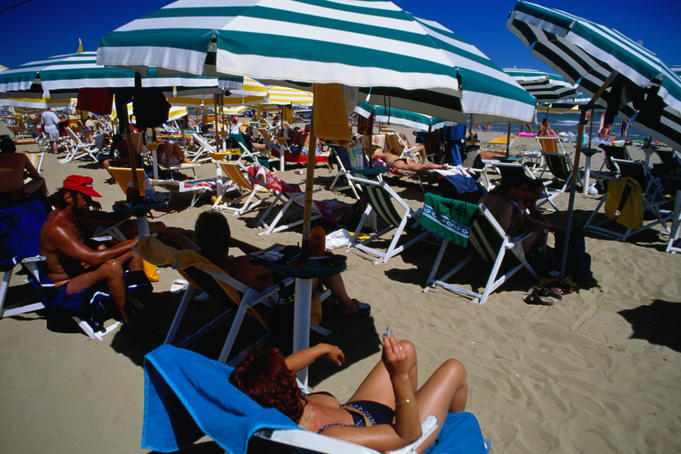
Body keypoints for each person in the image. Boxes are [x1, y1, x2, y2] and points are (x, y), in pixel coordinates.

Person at [230, 333, 468, 452]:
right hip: (403, 435)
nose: (288, 369)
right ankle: (452, 433)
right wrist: (400, 378)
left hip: (364, 412)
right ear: (286, 387)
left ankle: (422, 409)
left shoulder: (285, 403)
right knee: (453, 369)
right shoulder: (329, 438)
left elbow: (281, 370)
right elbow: (406, 436)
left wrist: (321, 349)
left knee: (405, 348)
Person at [194, 211, 370, 317]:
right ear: (227, 236)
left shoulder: (205, 264)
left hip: (261, 294)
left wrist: (239, 244)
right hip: (281, 301)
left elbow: (263, 260)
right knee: (321, 262)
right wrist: (239, 244)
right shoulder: (242, 264)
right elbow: (271, 259)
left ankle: (332, 303)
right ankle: (347, 305)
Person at [39, 175, 143, 324]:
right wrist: (132, 242)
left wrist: (131, 203)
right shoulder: (56, 228)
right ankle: (129, 319)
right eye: (86, 198)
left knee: (132, 252)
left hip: (81, 272)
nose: (89, 202)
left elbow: (109, 219)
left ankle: (140, 297)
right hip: (65, 285)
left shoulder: (73, 216)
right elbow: (94, 258)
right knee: (112, 267)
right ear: (69, 197)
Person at [479, 176, 545, 254]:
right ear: (512, 189)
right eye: (523, 190)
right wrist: (518, 223)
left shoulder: (486, 198)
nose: (525, 193)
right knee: (538, 228)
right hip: (500, 252)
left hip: (480, 244)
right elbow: (507, 237)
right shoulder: (506, 207)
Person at [0, 138, 48, 207]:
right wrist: (26, 175)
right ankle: (45, 200)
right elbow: (36, 176)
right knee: (41, 179)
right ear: (14, 148)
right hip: (17, 193)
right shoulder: (21, 157)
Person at [372, 150, 445, 175]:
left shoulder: (383, 155)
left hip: (396, 163)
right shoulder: (388, 154)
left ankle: (435, 171)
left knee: (418, 168)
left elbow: (374, 155)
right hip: (403, 159)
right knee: (420, 165)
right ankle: (441, 167)